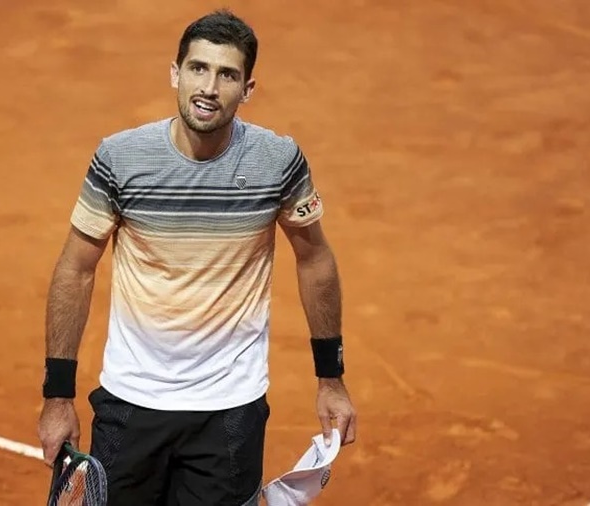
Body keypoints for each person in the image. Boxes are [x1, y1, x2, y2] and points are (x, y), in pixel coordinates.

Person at [37, 8, 356, 506]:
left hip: (229, 409)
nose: (209, 87)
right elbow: (76, 268)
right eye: (198, 68)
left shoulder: (278, 162)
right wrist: (58, 396)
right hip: (131, 401)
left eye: (227, 74)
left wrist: (330, 379)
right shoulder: (120, 159)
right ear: (175, 72)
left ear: (247, 89)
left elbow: (314, 258)